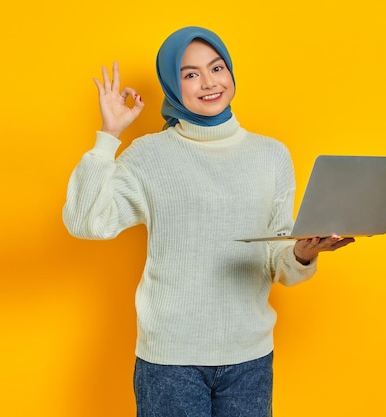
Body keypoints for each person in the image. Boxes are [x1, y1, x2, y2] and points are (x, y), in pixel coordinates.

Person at [63, 26, 354, 417]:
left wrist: (301, 253)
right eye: (190, 74)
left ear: (231, 72)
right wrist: (108, 136)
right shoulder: (148, 155)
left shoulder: (271, 156)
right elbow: (85, 221)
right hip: (171, 361)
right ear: (172, 84)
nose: (209, 82)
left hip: (249, 357)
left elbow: (277, 257)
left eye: (216, 68)